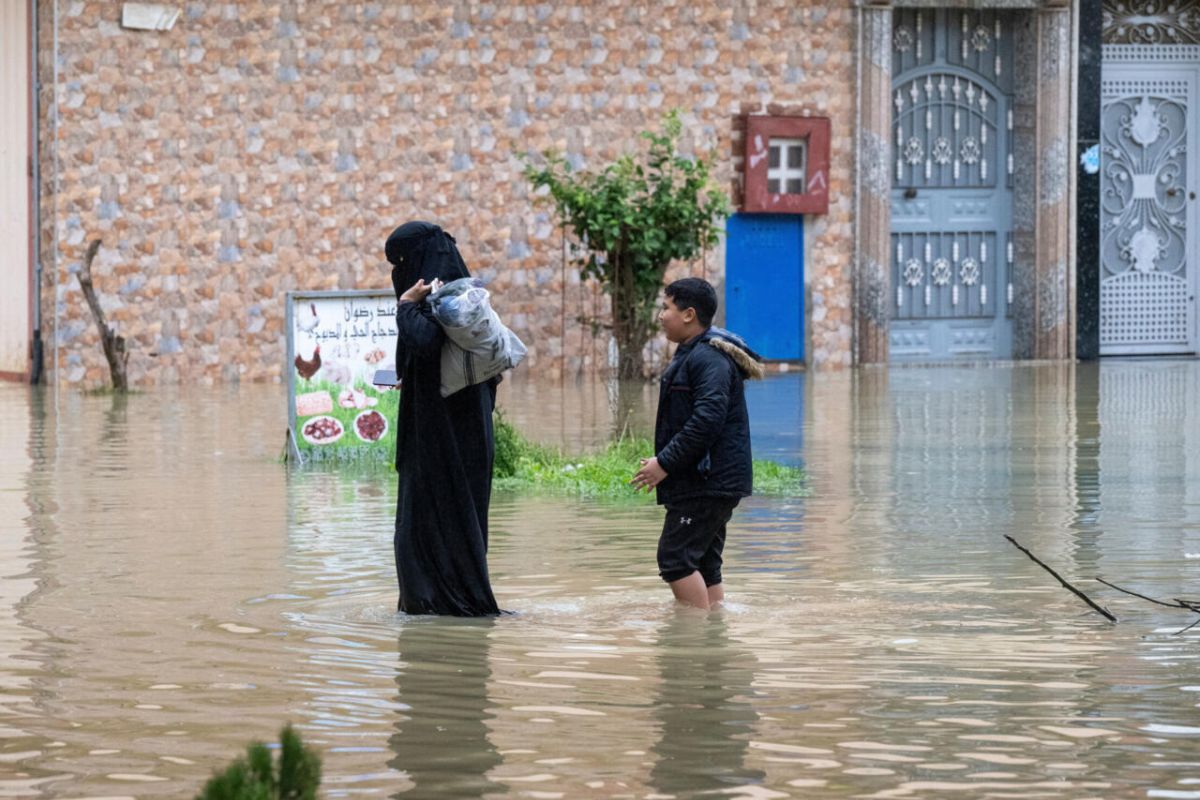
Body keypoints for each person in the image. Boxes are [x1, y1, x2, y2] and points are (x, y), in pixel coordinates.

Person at [386, 221, 501, 616]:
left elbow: (427, 341)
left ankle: (441, 607)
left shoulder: (451, 299)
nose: (395, 271)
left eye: (399, 262)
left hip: (444, 441)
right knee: (445, 522)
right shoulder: (461, 297)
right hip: (457, 433)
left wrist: (404, 305)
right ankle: (442, 605)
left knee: (428, 525)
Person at [631, 278, 762, 610]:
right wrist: (667, 458)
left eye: (666, 307)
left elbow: (707, 421)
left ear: (688, 314)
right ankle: (712, 642)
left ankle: (691, 648)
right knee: (704, 562)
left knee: (675, 559)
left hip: (708, 483)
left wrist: (664, 463)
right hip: (709, 480)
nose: (660, 315)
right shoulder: (696, 354)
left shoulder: (708, 359)